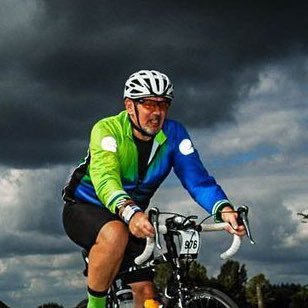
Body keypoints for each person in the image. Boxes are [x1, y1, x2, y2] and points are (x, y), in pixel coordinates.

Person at [62, 70, 245, 308]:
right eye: (148, 103)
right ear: (129, 106)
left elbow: (197, 180)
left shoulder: (175, 134)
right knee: (115, 232)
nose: (157, 112)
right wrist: (130, 212)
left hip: (134, 217)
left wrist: (224, 210)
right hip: (86, 206)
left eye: (163, 104)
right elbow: (106, 179)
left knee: (147, 294)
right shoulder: (107, 129)